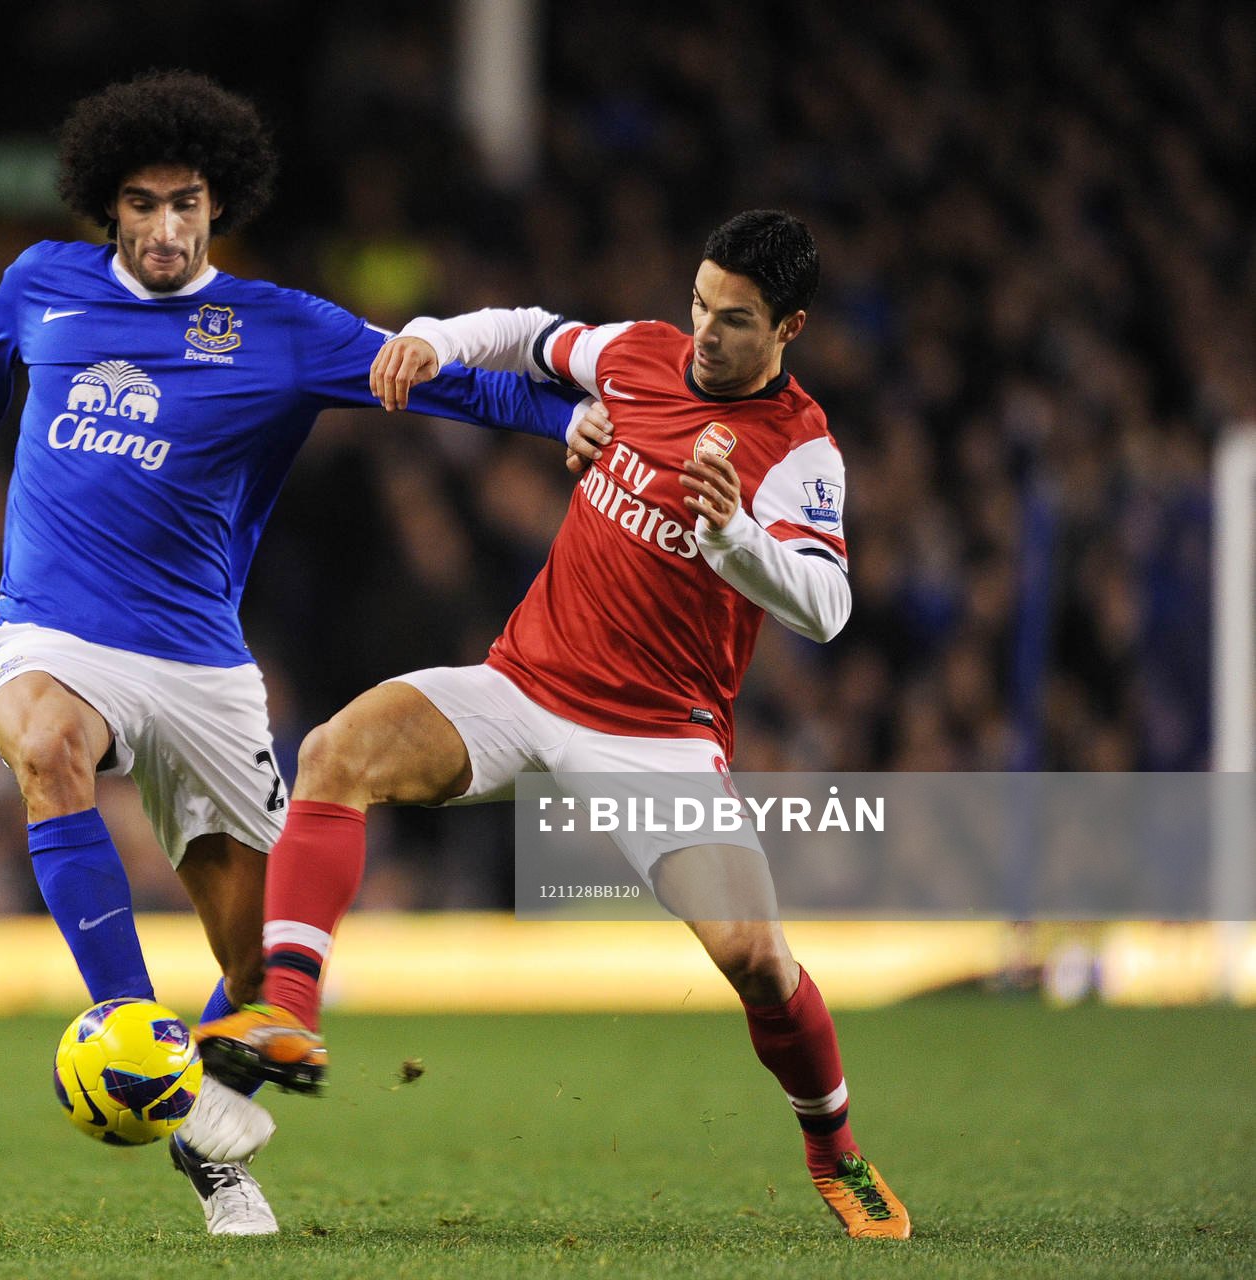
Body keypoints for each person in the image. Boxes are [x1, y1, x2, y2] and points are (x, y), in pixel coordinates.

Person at [0, 71, 605, 1237]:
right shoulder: (41, 286)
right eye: (142, 203)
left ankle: (210, 1148)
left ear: (219, 209)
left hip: (200, 665)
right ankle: (128, 1023)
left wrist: (562, 417)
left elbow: (438, 378)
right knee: (46, 741)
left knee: (266, 966)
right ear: (105, 208)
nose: (165, 227)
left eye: (188, 204)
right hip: (53, 630)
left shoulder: (282, 328)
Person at [192, 211, 912, 1240]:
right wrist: (433, 336)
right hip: (522, 684)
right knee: (332, 752)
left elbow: (825, 606)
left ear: (788, 326)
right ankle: (290, 1015)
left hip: (655, 739)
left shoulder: (800, 453)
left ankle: (834, 1150)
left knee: (756, 957)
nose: (704, 332)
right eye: (700, 303)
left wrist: (734, 534)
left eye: (735, 319)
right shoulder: (638, 354)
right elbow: (525, 331)